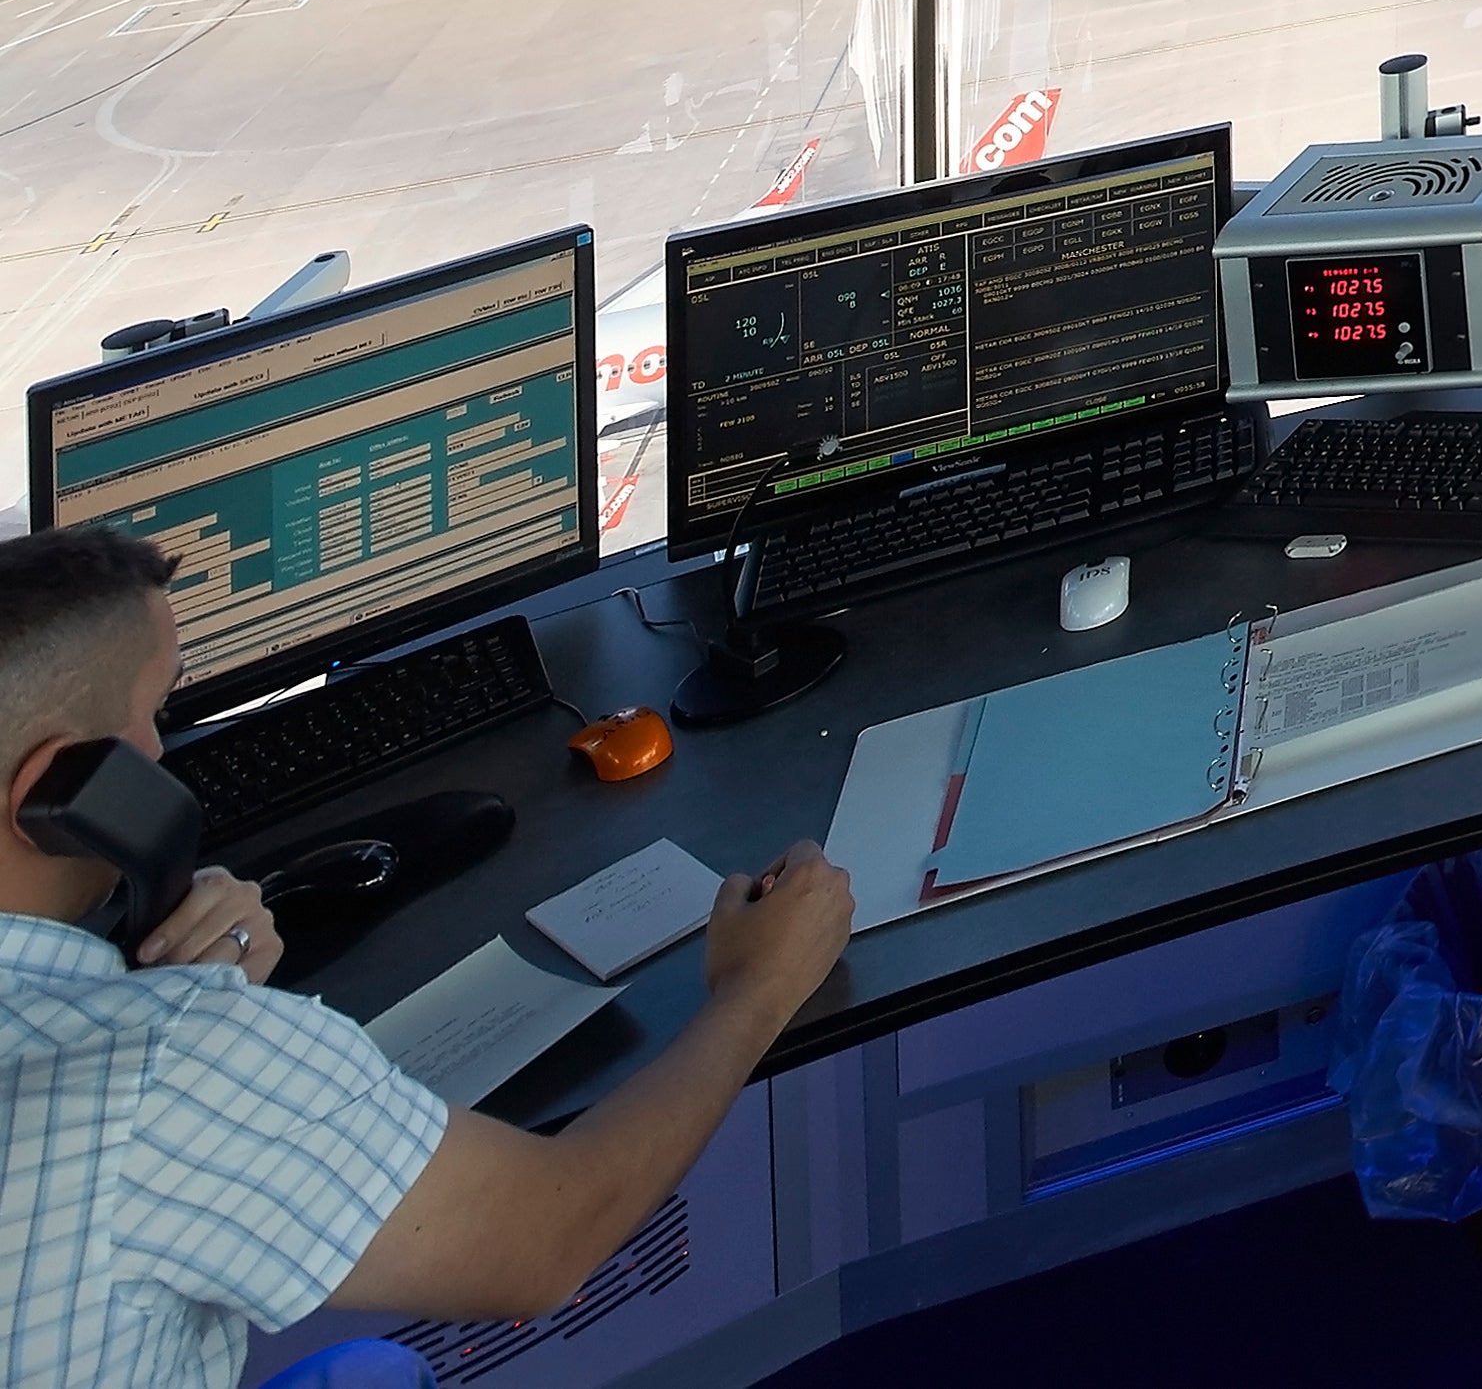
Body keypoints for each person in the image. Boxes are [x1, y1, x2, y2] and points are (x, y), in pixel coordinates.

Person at [1, 526, 860, 1389]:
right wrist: (759, 986)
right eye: (155, 718)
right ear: (58, 787)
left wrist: (142, 979)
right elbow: (545, 1239)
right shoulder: (166, 1069)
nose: (165, 761)